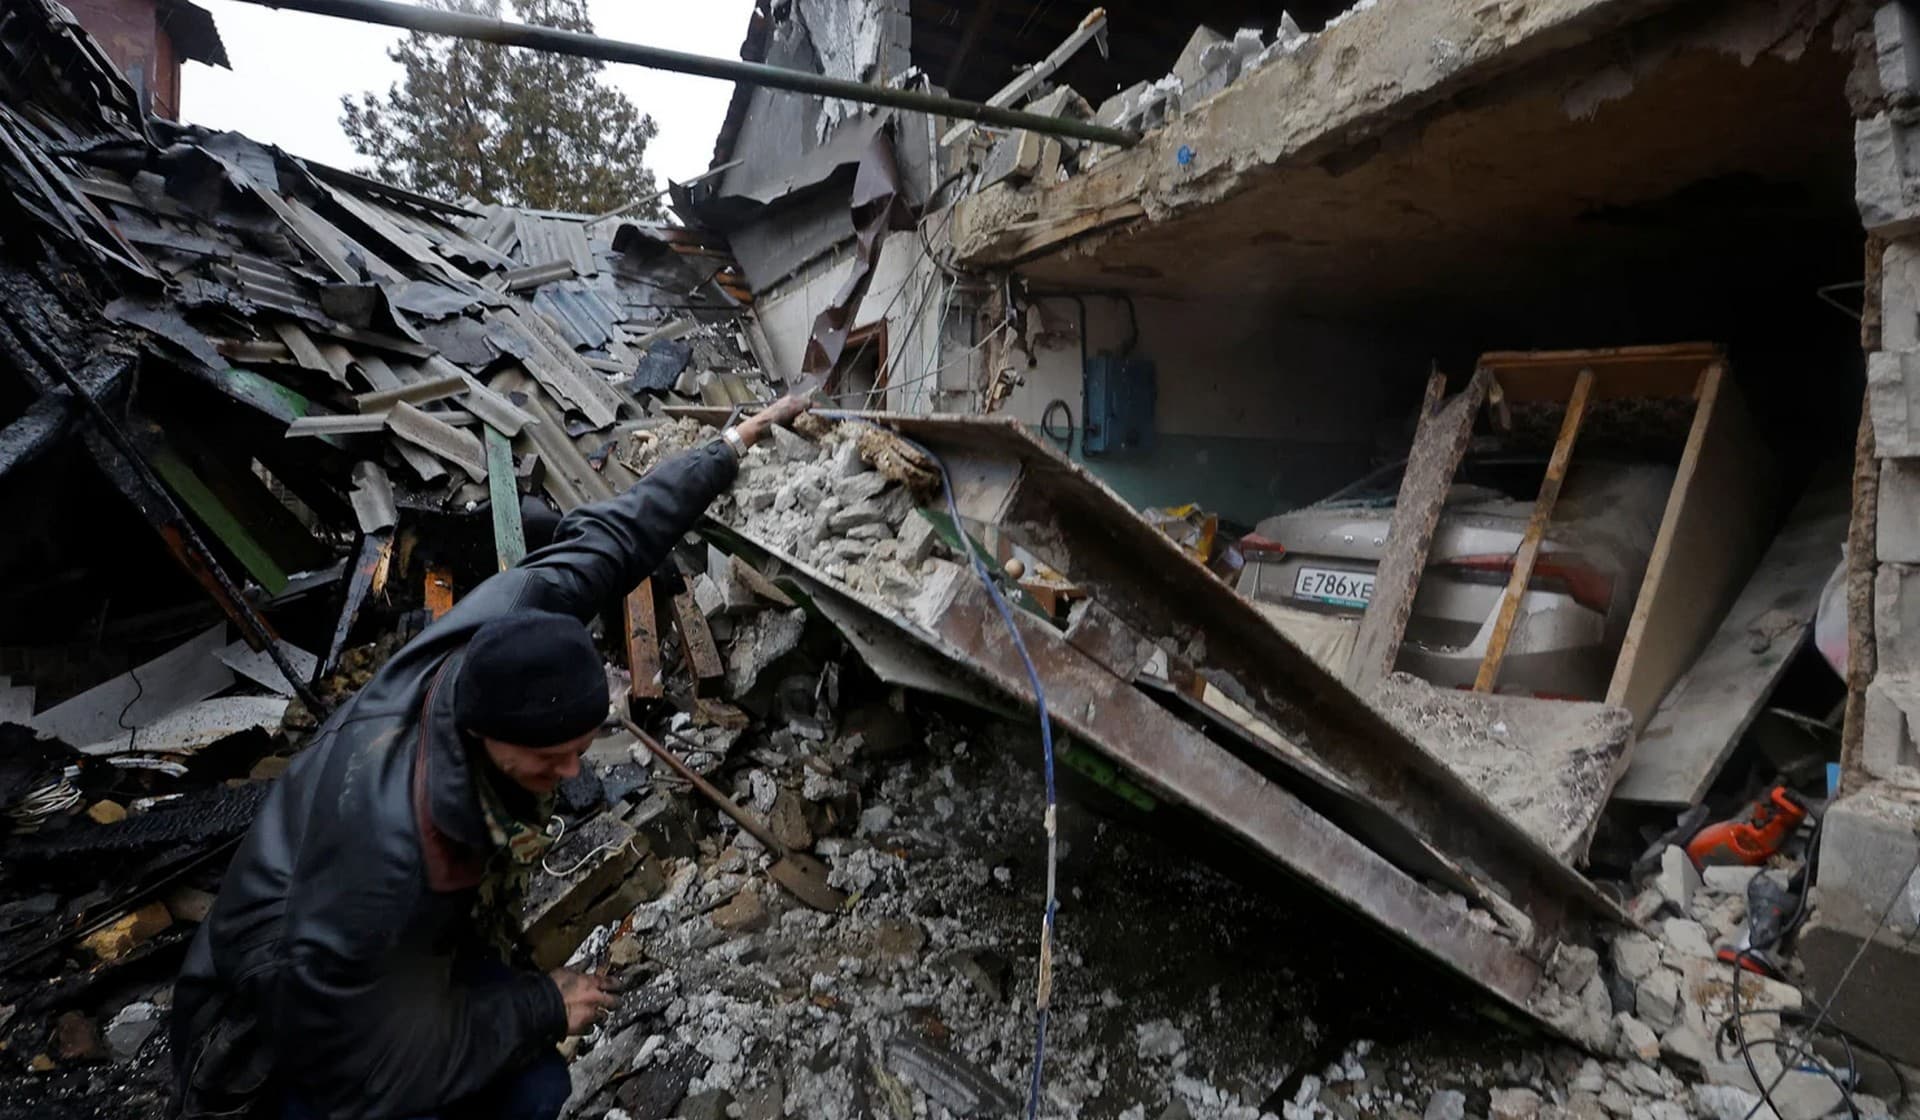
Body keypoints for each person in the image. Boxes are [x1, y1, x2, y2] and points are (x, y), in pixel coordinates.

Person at [171, 397, 810, 1120]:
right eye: (549, 759)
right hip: (272, 1043)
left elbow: (612, 535)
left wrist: (725, 448)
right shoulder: (391, 854)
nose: (573, 775)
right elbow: (371, 1073)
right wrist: (538, 1007)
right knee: (530, 1092)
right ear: (482, 735)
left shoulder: (499, 625)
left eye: (579, 748)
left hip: (370, 963)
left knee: (531, 1076)